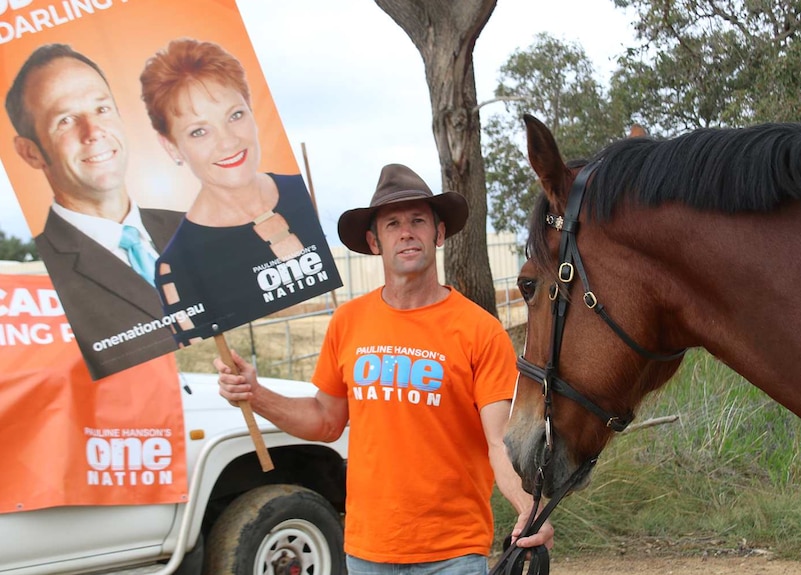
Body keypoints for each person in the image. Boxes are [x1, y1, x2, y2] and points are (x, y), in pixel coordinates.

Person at [216, 163, 553, 574]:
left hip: (453, 553)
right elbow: (325, 420)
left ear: (439, 234)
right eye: (393, 224)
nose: (406, 232)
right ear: (375, 242)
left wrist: (528, 508)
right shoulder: (348, 322)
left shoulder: (479, 331)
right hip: (367, 551)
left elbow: (499, 441)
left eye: (418, 221)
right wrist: (255, 394)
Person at [139, 38, 339, 347]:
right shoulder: (178, 267)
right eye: (199, 131)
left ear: (251, 109)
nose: (228, 142)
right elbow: (201, 348)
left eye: (235, 115)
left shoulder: (304, 193)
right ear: (172, 146)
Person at [4, 43, 183, 379]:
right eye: (66, 120)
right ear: (30, 152)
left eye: (102, 109)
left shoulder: (193, 227)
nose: (93, 132)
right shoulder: (43, 283)